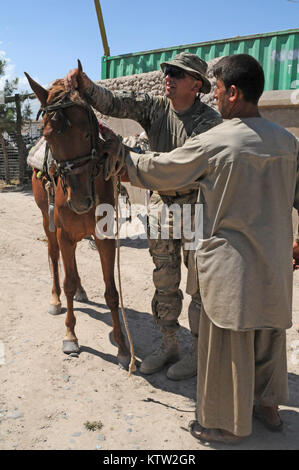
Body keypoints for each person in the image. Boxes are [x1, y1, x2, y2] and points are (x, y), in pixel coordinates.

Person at [101, 54, 299, 444]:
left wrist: (122, 156)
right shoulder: (288, 142)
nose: (217, 98)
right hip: (275, 266)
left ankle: (225, 424)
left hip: (231, 270)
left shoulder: (216, 140)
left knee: (227, 344)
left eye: (220, 90)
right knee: (268, 334)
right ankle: (268, 407)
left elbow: (163, 170)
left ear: (235, 93)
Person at [65, 53, 222, 380]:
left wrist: (131, 156)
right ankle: (169, 345)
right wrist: (86, 85)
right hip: (161, 207)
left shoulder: (209, 123)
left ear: (196, 85)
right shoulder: (155, 107)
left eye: (177, 74)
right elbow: (114, 103)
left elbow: (183, 169)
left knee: (198, 287)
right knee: (164, 281)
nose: (168, 76)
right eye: (167, 71)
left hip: (196, 207)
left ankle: (197, 352)